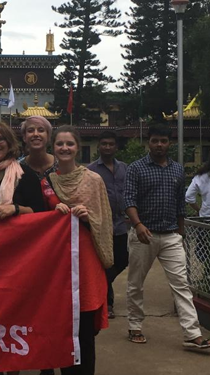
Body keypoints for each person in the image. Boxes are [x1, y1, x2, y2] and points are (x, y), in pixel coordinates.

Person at [123, 125, 210, 350]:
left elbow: (179, 204)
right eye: (155, 140)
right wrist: (138, 225)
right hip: (142, 235)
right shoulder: (136, 169)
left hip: (171, 236)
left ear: (169, 143)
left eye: (163, 141)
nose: (159, 145)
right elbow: (128, 200)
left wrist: (181, 233)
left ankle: (192, 334)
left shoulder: (177, 170)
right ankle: (135, 326)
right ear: (149, 142)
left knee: (182, 285)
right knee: (136, 283)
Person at [41, 127, 113, 375]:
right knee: (60, 325)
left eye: (69, 144)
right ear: (53, 148)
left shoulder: (93, 180)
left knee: (84, 329)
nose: (64, 148)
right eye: (59, 144)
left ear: (77, 147)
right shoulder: (47, 182)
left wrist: (87, 216)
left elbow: (104, 219)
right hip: (58, 263)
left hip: (86, 260)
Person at [86, 131, 129, 318]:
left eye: (111, 144)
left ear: (116, 147)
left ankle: (102, 284)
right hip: (100, 226)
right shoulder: (90, 170)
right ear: (99, 146)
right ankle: (107, 303)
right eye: (104, 144)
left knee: (122, 260)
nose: (107, 147)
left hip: (120, 224)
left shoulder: (125, 169)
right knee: (104, 262)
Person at [18, 115, 57, 180]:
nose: (35, 134)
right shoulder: (17, 168)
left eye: (41, 130)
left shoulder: (61, 166)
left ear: (48, 136)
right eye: (30, 131)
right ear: (24, 137)